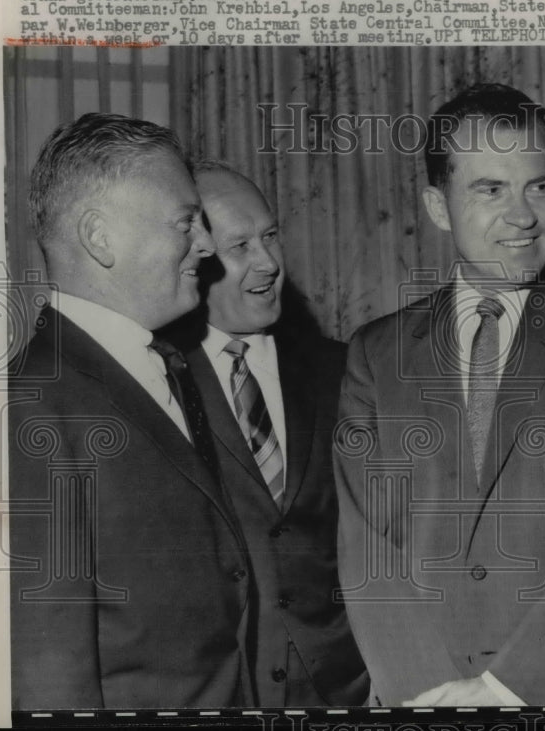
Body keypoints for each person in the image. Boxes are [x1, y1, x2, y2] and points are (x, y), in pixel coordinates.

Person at [334, 83, 545, 706]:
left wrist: (510, 689)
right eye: (490, 190)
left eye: (537, 187)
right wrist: (427, 695)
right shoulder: (376, 353)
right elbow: (366, 543)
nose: (524, 216)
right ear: (438, 207)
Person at [9, 114, 254, 708]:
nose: (206, 244)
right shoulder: (31, 406)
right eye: (185, 221)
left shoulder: (165, 367)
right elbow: (48, 674)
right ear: (100, 237)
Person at [179, 162, 368, 706]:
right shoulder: (159, 381)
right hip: (224, 695)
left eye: (271, 236)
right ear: (194, 257)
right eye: (240, 246)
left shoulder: (344, 370)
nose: (268, 262)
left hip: (344, 692)